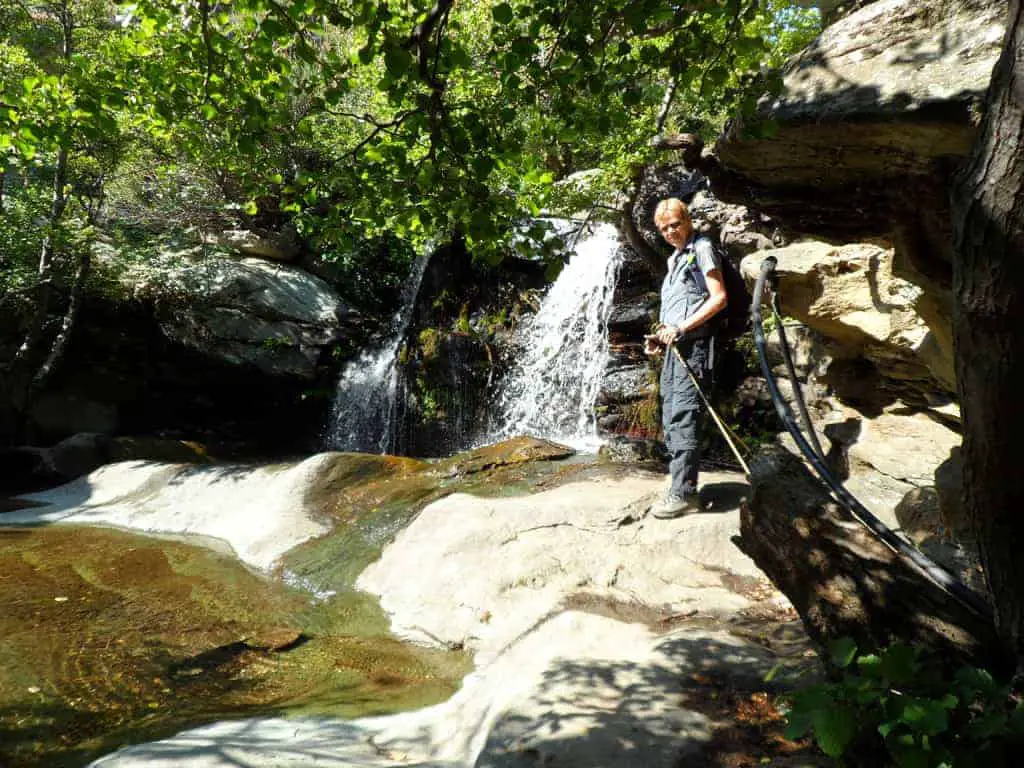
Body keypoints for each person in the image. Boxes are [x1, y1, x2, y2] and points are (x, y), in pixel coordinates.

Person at [645, 198, 727, 519]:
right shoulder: (673, 261)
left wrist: (679, 328)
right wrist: (661, 339)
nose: (670, 232)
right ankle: (678, 484)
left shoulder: (702, 249)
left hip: (694, 347)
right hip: (676, 348)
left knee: (684, 413)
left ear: (688, 220)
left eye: (675, 224)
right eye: (664, 228)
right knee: (671, 414)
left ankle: (684, 494)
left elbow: (718, 299)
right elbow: (680, 307)